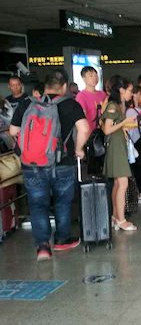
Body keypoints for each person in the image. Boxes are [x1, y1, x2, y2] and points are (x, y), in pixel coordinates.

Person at [9, 69, 89, 261]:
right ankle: (62, 240)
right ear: (63, 86)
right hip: (64, 163)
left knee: (37, 204)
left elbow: (13, 131)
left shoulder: (27, 103)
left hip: (33, 164)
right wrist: (79, 149)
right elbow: (84, 128)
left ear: (44, 86)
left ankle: (43, 247)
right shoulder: (71, 104)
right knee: (62, 202)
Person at [102, 76, 138, 231]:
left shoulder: (117, 105)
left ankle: (116, 216)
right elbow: (107, 129)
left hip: (119, 145)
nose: (132, 93)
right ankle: (121, 220)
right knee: (122, 183)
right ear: (122, 90)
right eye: (130, 90)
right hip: (116, 147)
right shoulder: (113, 105)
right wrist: (124, 122)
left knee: (118, 183)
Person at [75, 66, 107, 132]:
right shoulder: (81, 96)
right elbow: (81, 118)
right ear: (84, 79)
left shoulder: (102, 94)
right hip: (89, 134)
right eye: (91, 76)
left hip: (103, 132)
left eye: (96, 75)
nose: (94, 78)